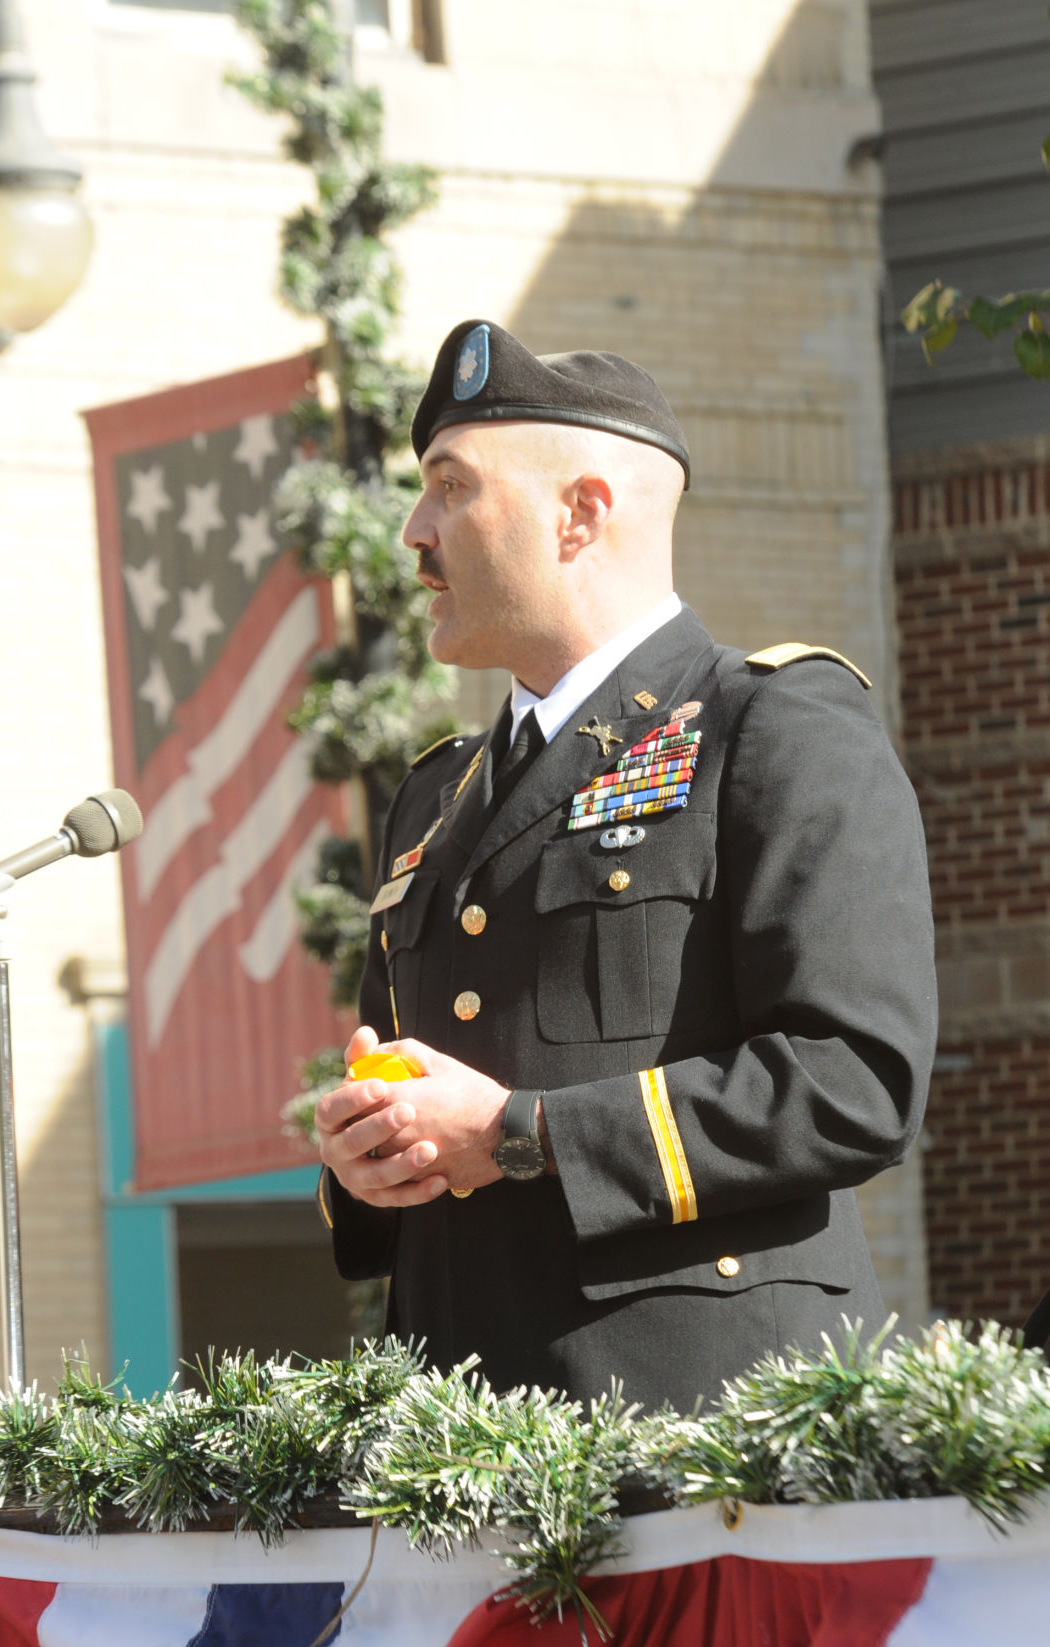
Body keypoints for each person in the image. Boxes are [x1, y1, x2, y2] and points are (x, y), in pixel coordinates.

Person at [314, 318, 937, 1415]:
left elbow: (856, 1081)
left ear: (581, 514)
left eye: (451, 489)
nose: (414, 532)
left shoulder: (774, 727)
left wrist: (521, 1134)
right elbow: (429, 1120)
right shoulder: (435, 792)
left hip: (702, 1432)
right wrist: (370, 1153)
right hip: (453, 1442)